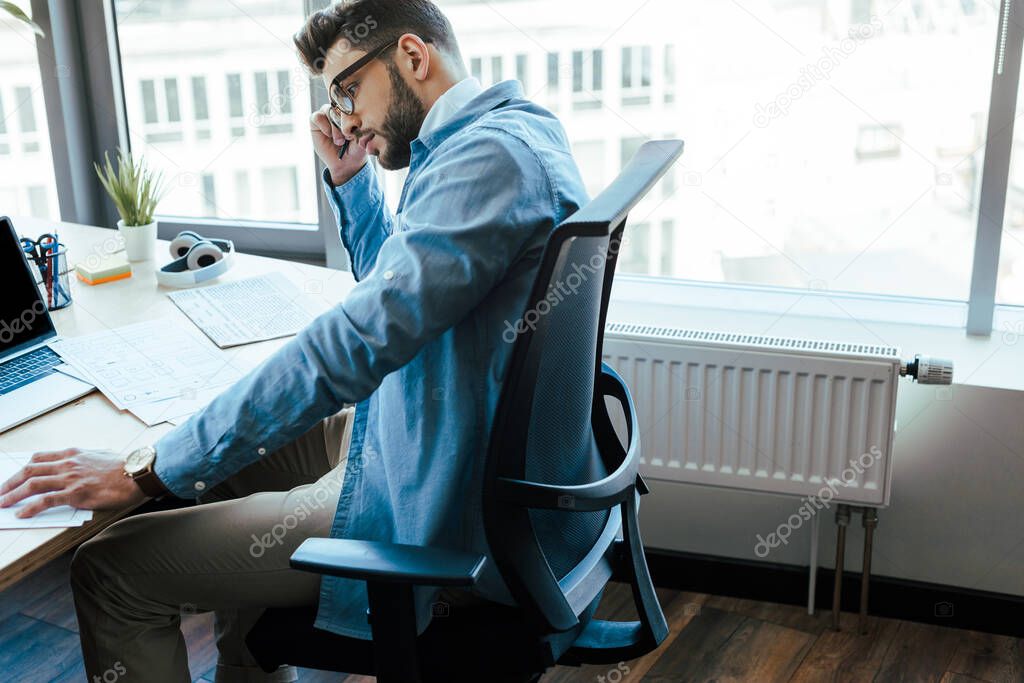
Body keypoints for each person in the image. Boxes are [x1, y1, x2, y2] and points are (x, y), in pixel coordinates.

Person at [0, 0, 589, 680]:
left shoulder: (485, 163)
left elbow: (352, 343)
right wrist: (351, 179)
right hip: (421, 441)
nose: (347, 119)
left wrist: (144, 470)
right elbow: (396, 291)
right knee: (209, 469)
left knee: (110, 567)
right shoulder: (509, 135)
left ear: (412, 57)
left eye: (347, 90)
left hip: (428, 497)